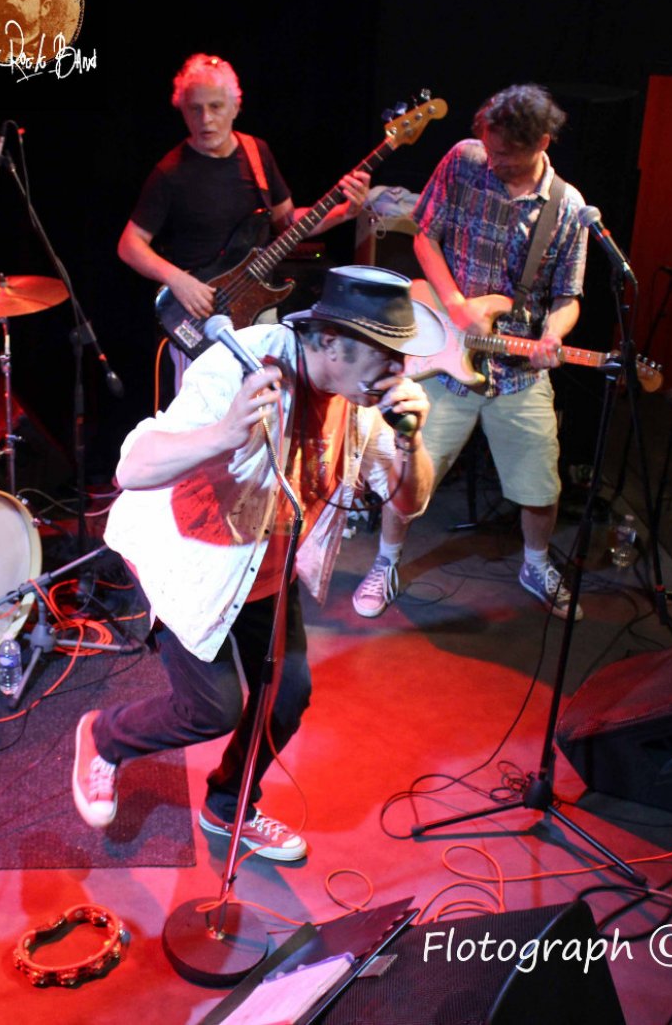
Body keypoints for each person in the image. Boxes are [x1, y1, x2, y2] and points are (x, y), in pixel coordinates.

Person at [72, 267, 443, 858]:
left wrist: (410, 440)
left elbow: (409, 501)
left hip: (266, 563)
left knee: (287, 698)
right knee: (212, 709)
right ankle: (104, 736)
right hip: (194, 556)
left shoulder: (362, 398)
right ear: (330, 342)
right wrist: (225, 432)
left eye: (400, 357)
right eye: (385, 356)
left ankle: (229, 807)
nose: (397, 373)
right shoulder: (242, 365)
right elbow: (133, 469)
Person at [351, 84, 589, 622]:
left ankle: (535, 564)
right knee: (405, 479)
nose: (493, 160)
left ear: (542, 143)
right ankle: (385, 562)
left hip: (517, 373)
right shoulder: (464, 160)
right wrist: (456, 306)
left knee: (541, 486)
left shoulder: (569, 207)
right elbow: (424, 236)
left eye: (506, 154)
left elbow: (567, 298)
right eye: (490, 146)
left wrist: (553, 336)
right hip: (443, 357)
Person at [118, 53, 371, 385]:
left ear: (235, 107)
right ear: (182, 110)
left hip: (256, 308)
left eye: (216, 107)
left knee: (263, 403)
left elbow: (287, 223)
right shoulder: (170, 172)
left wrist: (343, 213)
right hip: (197, 316)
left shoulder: (257, 153)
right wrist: (178, 280)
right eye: (195, 109)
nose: (206, 119)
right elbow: (129, 245)